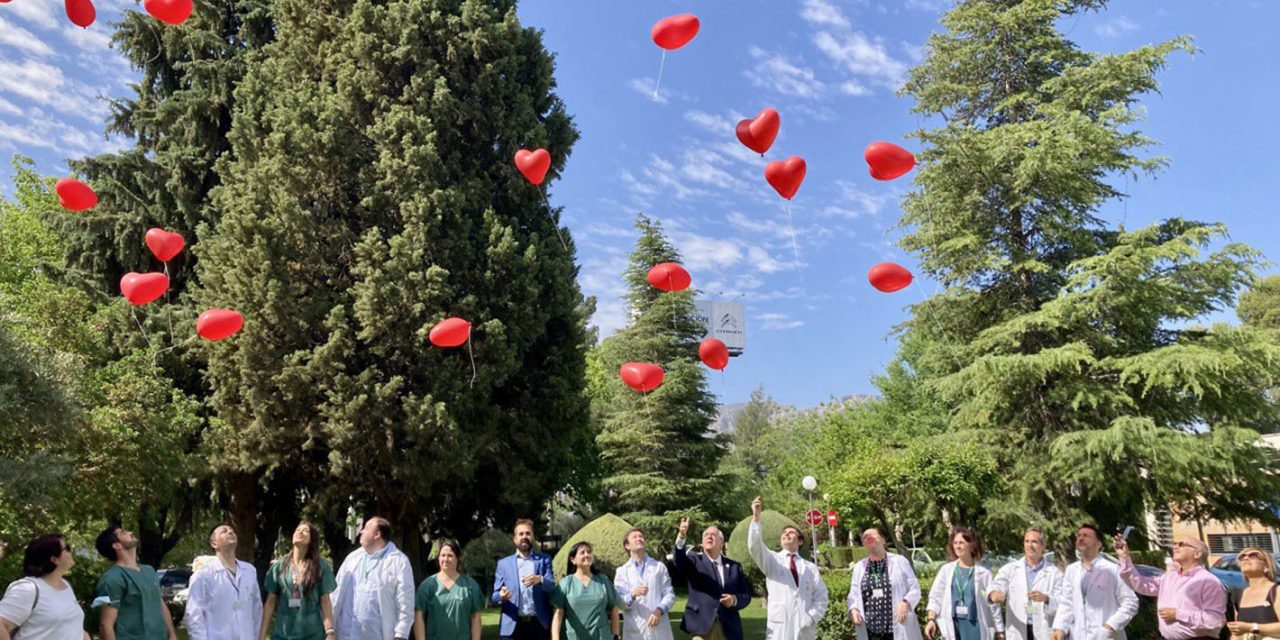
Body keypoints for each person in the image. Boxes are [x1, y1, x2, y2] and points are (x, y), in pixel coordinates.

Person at [747, 497, 829, 640]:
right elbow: (755, 547)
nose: (786, 534)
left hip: (804, 626)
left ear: (800, 541)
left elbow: (821, 597)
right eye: (784, 534)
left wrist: (811, 617)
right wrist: (756, 518)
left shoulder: (810, 568)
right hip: (780, 626)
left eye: (791, 533)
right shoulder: (772, 560)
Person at [1115, 534, 1225, 639]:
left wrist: (1178, 614)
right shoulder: (1170, 577)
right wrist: (1124, 557)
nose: (1175, 547)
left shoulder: (1209, 581)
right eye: (1175, 543)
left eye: (1181, 544)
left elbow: (1215, 620)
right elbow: (1141, 584)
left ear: (1197, 554)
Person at [1050, 524, 1138, 640]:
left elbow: (1131, 602)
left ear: (1098, 544)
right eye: (1079, 536)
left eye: (1086, 536)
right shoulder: (1071, 570)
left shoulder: (1113, 569)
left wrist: (1110, 626)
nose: (1081, 538)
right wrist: (1059, 628)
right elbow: (1067, 603)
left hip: (1107, 636)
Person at [332, 517, 414, 640]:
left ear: (377, 534)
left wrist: (400, 634)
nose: (361, 531)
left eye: (365, 528)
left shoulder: (399, 561)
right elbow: (336, 595)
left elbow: (405, 602)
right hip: (347, 634)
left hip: (378, 635)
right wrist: (329, 628)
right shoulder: (353, 558)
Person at [93, 525, 179, 640]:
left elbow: (160, 604)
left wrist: (172, 634)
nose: (130, 532)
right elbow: (106, 625)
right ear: (116, 545)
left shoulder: (149, 571)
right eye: (123, 532)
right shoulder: (112, 579)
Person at [672, 517, 752, 640]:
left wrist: (734, 600)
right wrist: (682, 536)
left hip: (729, 629)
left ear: (721, 542)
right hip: (701, 627)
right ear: (702, 542)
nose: (709, 537)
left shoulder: (734, 566)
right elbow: (679, 559)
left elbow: (746, 595)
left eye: (713, 535)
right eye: (706, 535)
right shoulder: (694, 561)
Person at [0, 533, 89, 640]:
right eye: (67, 548)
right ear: (54, 559)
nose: (71, 551)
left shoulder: (65, 586)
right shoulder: (28, 589)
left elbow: (69, 627)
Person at [184, 523, 263, 640]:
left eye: (232, 531)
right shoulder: (203, 575)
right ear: (214, 543)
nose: (230, 532)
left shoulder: (249, 571)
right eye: (224, 531)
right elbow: (194, 614)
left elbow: (256, 609)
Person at [260, 521, 337, 640]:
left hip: (313, 634)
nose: (300, 532)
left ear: (312, 540)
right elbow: (270, 603)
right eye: (297, 530)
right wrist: (262, 635)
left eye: (305, 531)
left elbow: (325, 601)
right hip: (283, 634)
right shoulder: (279, 567)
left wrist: (330, 632)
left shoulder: (320, 566)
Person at [846, 527, 923, 640]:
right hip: (870, 628)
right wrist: (853, 608)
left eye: (872, 535)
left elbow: (914, 588)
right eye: (865, 537)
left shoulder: (900, 561)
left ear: (883, 539)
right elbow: (853, 593)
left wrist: (906, 602)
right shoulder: (859, 567)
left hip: (896, 625)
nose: (869, 537)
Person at [988, 528, 1064, 640]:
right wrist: (994, 594)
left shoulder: (1054, 573)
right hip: (1018, 629)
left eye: (1034, 542)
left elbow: (1063, 602)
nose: (1030, 545)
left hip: (1043, 630)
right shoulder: (1011, 569)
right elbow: (998, 585)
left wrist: (1046, 598)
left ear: (1043, 546)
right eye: (1027, 541)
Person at [925, 527, 998, 640]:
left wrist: (999, 630)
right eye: (955, 543)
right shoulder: (946, 570)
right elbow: (935, 597)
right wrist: (931, 620)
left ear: (971, 545)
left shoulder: (984, 573)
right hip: (954, 626)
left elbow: (993, 605)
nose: (957, 546)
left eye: (961, 543)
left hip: (976, 628)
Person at [492, 519, 557, 640]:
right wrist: (501, 595)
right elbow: (494, 597)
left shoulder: (544, 560)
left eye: (528, 533)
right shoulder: (503, 564)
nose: (524, 536)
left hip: (539, 625)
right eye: (520, 534)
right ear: (515, 539)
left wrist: (540, 579)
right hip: (513, 625)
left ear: (532, 537)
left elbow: (552, 587)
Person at [413, 540, 484, 640]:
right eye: (442, 555)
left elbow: (475, 618)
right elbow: (418, 617)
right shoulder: (427, 586)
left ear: (458, 558)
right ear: (438, 558)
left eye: (450, 555)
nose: (445, 559)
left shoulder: (470, 585)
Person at [613, 528, 675, 640]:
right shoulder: (622, 572)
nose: (639, 539)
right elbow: (619, 602)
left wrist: (659, 610)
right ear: (627, 546)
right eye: (635, 537)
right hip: (635, 630)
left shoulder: (659, 567)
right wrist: (632, 595)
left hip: (659, 629)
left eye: (641, 536)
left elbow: (669, 594)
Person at [550, 542, 621, 640]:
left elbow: (613, 608)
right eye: (582, 552)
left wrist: (615, 635)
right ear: (573, 559)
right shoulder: (566, 583)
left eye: (589, 552)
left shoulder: (603, 581)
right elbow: (558, 613)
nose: (587, 555)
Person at [1224, 547, 1279, 640]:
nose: (1246, 558)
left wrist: (1251, 627)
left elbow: (1245, 627)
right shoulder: (1240, 594)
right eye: (1242, 557)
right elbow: (1238, 632)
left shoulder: (1276, 590)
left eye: (1253, 555)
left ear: (1267, 566)